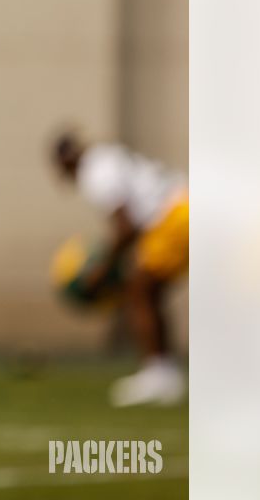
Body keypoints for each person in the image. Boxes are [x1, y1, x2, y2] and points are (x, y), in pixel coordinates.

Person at [52, 129, 189, 407]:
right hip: (181, 208)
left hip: (174, 216)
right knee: (148, 291)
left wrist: (102, 267)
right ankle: (163, 372)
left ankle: (159, 374)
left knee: (139, 290)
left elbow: (125, 227)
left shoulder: (94, 173)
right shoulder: (106, 158)